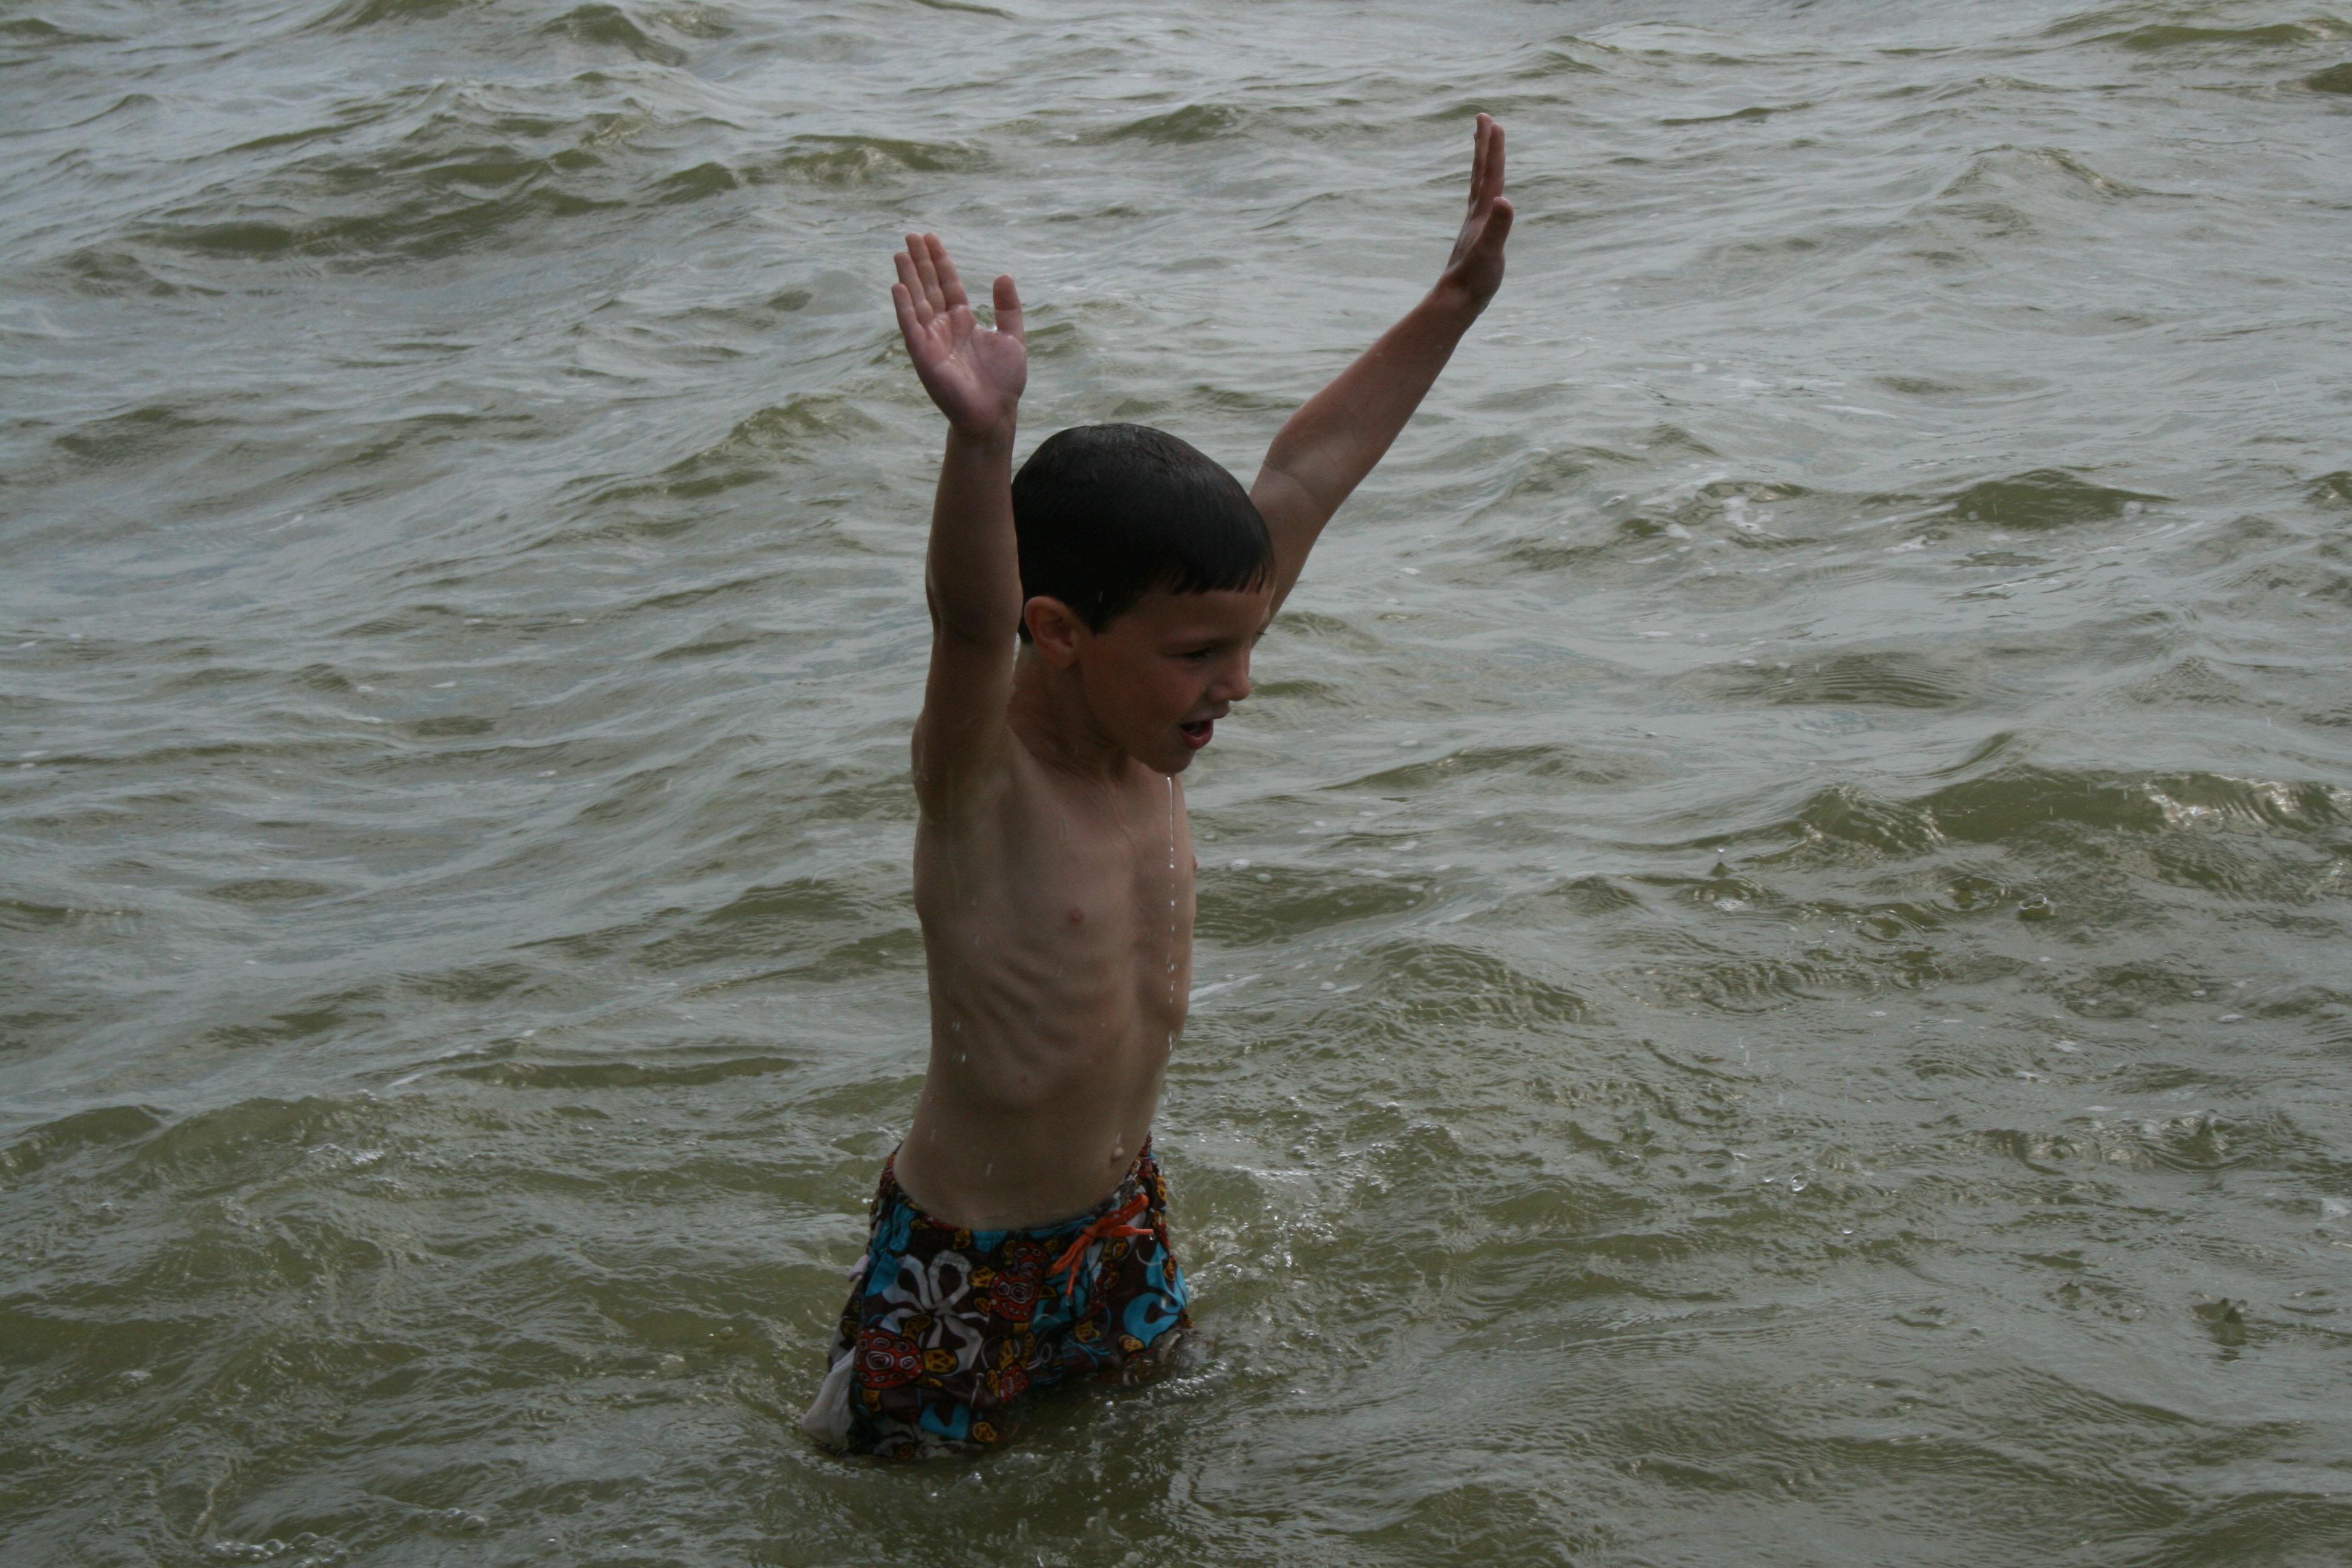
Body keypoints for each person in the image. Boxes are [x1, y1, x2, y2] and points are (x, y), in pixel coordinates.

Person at [802, 114, 1514, 1459]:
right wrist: (979, 440)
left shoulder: (1149, 728)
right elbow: (970, 621)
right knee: (896, 1517)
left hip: (1123, 1227)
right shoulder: (983, 781)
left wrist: (1453, 307)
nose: (1237, 684)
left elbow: (1304, 474)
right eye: (1200, 656)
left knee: (1147, 1492)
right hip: (962, 1268)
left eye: (1244, 644)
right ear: (1062, 631)